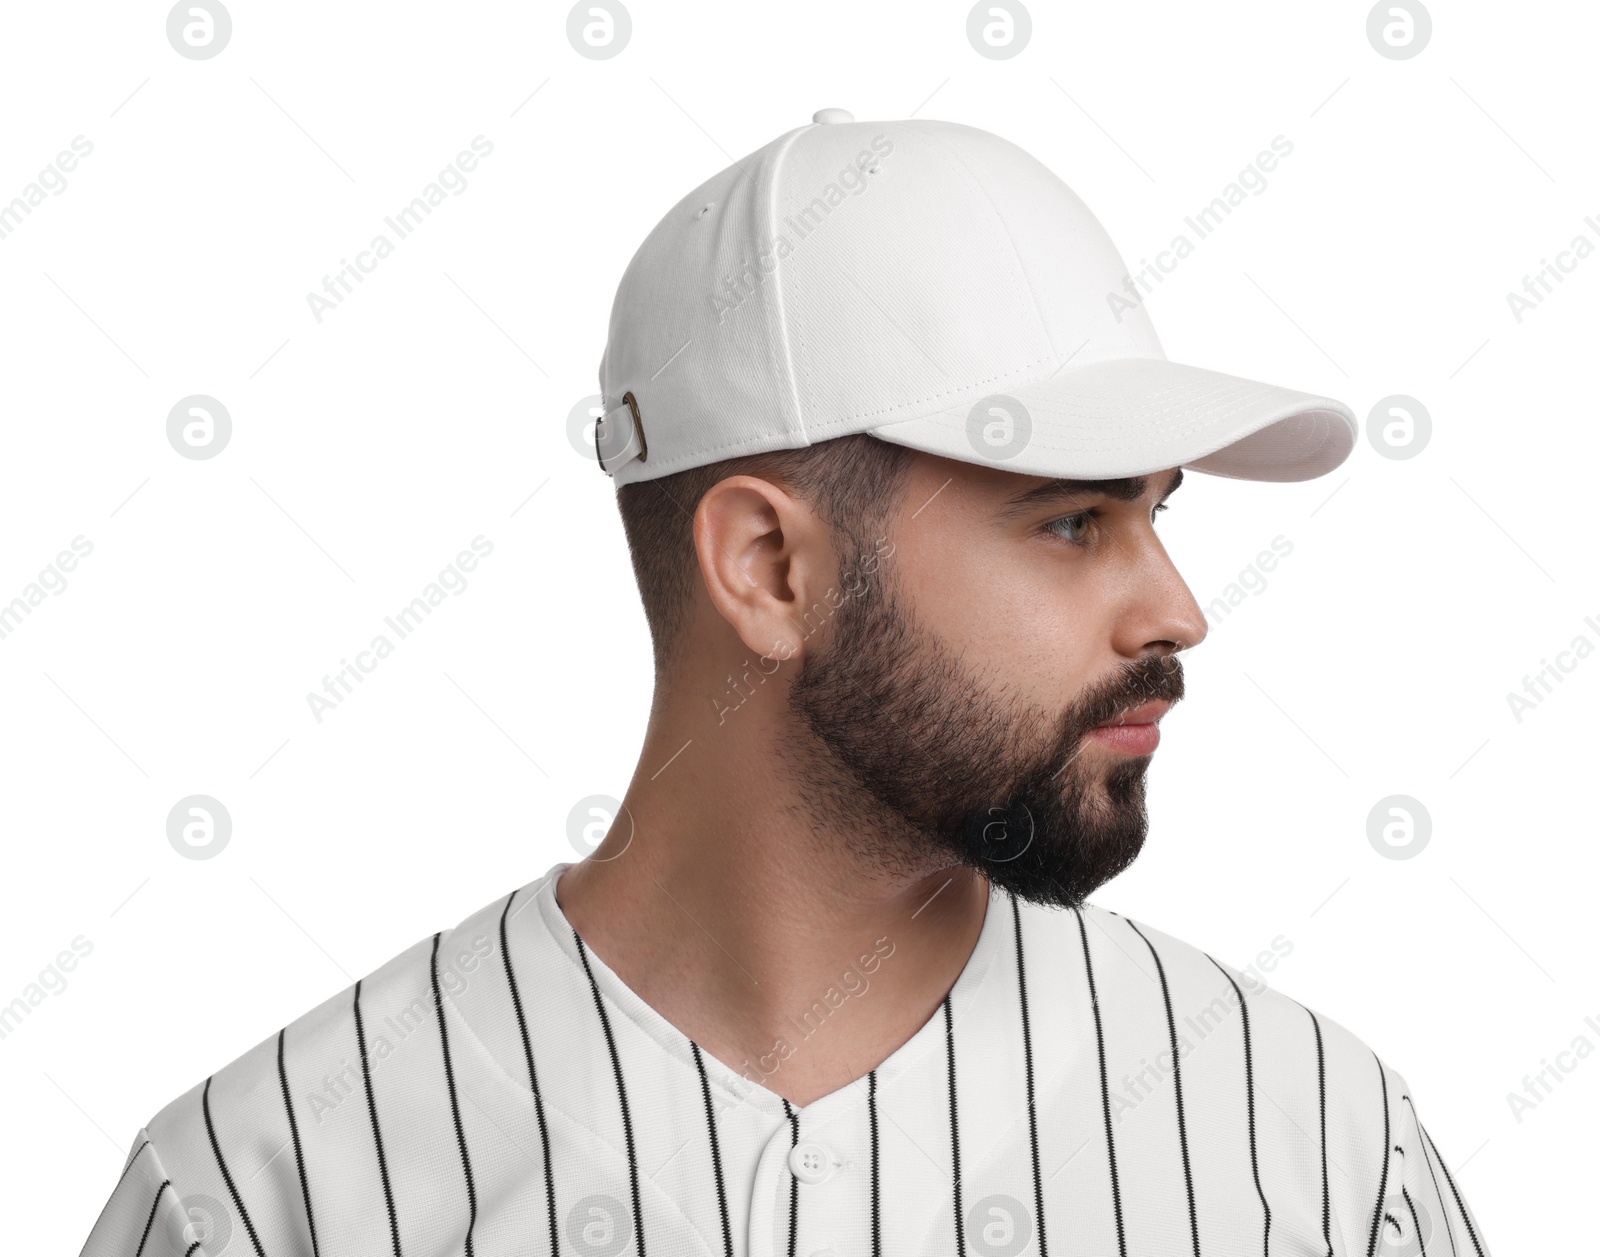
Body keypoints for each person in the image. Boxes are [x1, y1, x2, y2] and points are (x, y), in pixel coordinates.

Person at [80, 109, 1488, 1257]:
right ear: (765, 565)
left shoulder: (1315, 1150)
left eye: (1159, 512)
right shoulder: (270, 1192)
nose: (1175, 609)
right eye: (1073, 520)